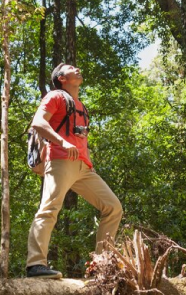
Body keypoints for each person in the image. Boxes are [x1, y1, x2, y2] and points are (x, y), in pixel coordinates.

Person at [26, 63, 123, 279]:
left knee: (113, 207)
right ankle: (35, 264)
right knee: (49, 208)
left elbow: (80, 139)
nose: (77, 68)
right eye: (71, 68)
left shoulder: (81, 106)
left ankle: (101, 267)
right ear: (61, 78)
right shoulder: (55, 96)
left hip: (83, 167)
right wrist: (61, 142)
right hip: (60, 159)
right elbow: (38, 122)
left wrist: (88, 162)